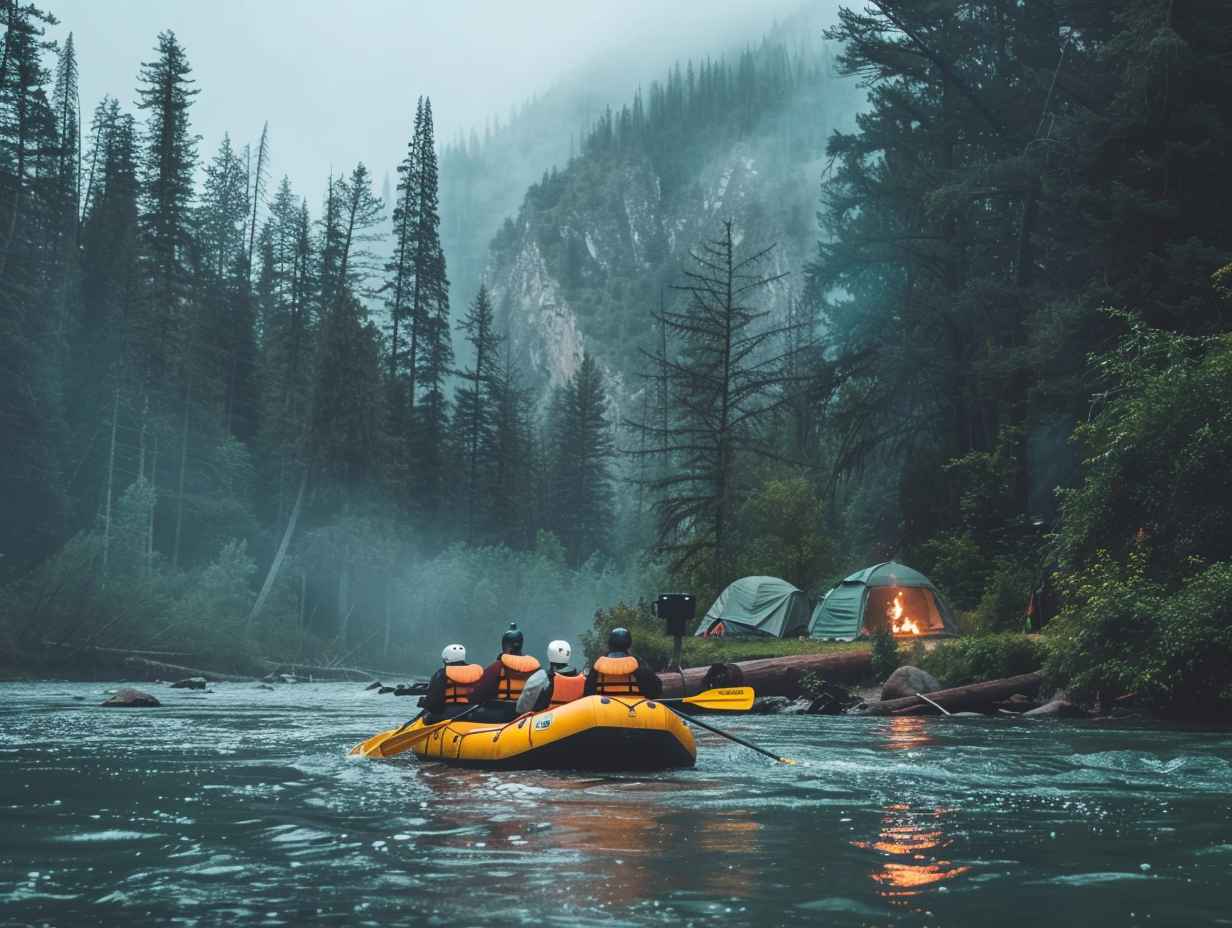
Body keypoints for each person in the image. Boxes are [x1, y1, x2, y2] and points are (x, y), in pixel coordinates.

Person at [469, 622, 541, 721]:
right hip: (527, 717)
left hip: (502, 716)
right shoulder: (535, 668)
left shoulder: (497, 667)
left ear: (505, 645)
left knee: (474, 715)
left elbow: (477, 695)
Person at [583, 626, 662, 699]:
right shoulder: (640, 667)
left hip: (604, 711)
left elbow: (588, 694)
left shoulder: (597, 668)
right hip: (633, 711)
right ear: (629, 644)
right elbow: (655, 692)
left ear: (609, 644)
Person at [516, 639, 585, 713]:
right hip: (575, 720)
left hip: (547, 722)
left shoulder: (540, 677)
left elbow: (521, 709)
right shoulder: (583, 678)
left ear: (549, 654)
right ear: (568, 654)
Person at [419, 644, 483, 720]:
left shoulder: (442, 674)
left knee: (426, 715)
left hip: (451, 714)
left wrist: (423, 703)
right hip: (474, 712)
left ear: (446, 660)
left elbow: (434, 703)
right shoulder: (477, 672)